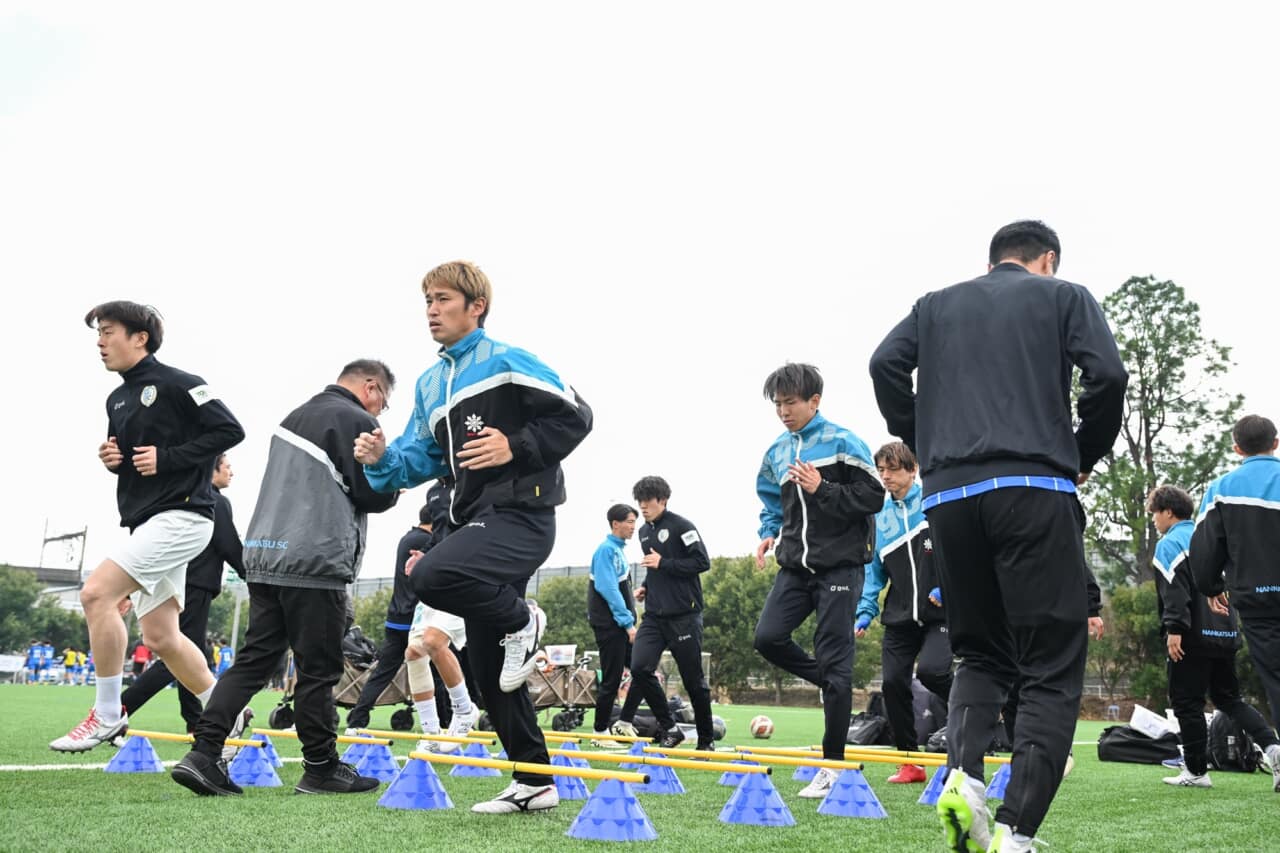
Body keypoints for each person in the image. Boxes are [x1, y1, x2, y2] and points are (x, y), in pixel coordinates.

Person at [869, 220, 1128, 852]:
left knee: (979, 655)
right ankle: (1016, 831)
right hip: (1033, 488)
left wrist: (926, 438)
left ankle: (964, 780)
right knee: (1049, 665)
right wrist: (1082, 450)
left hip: (949, 499)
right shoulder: (1063, 295)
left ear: (991, 263)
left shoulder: (935, 304)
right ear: (1048, 260)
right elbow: (1109, 375)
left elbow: (884, 363)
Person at [354, 260, 593, 815]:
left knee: (431, 575)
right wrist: (381, 459)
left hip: (523, 517)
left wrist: (515, 445)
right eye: (427, 301)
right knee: (488, 671)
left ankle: (523, 618)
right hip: (474, 522)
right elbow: (419, 457)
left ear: (475, 306)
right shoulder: (430, 383)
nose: (431, 311)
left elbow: (577, 415)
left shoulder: (507, 360)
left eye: (442, 299)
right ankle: (535, 782)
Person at [172, 359, 399, 797]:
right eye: (383, 402)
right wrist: (393, 483)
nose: (380, 411)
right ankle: (321, 768)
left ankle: (203, 753)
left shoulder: (293, 416)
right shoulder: (356, 420)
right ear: (371, 387)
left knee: (253, 662)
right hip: (313, 559)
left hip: (265, 555)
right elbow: (370, 492)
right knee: (319, 669)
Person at [52, 301, 245, 753]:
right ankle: (226, 713)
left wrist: (169, 458)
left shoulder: (182, 383)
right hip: (147, 523)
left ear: (140, 338)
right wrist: (114, 461)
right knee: (161, 637)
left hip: (183, 517)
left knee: (95, 594)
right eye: (98, 333)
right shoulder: (116, 399)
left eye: (108, 332)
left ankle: (107, 715)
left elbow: (230, 430)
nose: (100, 342)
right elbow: (132, 460)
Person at [752, 363, 884, 798]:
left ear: (814, 401)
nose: (783, 412)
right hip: (795, 567)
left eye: (790, 403)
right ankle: (830, 679)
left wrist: (821, 487)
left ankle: (833, 766)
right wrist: (768, 531)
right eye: (778, 404)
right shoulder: (776, 452)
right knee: (768, 638)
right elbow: (771, 501)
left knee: (836, 662)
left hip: (840, 567)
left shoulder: (844, 442)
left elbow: (873, 496)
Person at [1146, 484, 1280, 789]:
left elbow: (1174, 592)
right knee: (1229, 699)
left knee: (1187, 703)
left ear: (1169, 512)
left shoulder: (1169, 544)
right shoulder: (1210, 537)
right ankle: (1273, 748)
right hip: (1226, 632)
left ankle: (1196, 772)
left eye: (1155, 513)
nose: (1153, 519)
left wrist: (1174, 629)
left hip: (1190, 637)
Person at [119, 454, 247, 734]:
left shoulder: (184, 497)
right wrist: (255, 578)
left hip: (179, 584)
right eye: (227, 467)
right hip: (195, 586)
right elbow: (229, 545)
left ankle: (195, 721)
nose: (232, 472)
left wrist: (128, 589)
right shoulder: (215, 501)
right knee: (175, 656)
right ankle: (118, 710)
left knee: (193, 654)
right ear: (211, 470)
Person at [1189, 414, 1280, 792]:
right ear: (1276, 442)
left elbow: (1203, 548)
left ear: (1237, 448)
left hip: (1258, 602)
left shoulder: (1222, 488)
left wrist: (1210, 587)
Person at [856, 441, 951, 784]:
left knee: (932, 672)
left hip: (940, 613)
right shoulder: (879, 518)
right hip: (899, 616)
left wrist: (947, 587)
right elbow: (873, 573)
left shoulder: (935, 503)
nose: (885, 476)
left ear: (913, 470)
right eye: (881, 470)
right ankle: (909, 762)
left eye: (893, 469)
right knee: (893, 683)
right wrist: (864, 611)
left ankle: (979, 711)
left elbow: (959, 550)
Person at [613, 476, 716, 752]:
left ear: (663, 500)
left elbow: (701, 562)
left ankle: (706, 742)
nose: (643, 507)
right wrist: (646, 586)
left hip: (684, 616)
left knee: (693, 681)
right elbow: (654, 567)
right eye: (640, 501)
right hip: (654, 617)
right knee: (639, 668)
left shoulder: (682, 526)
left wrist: (664, 563)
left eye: (648, 501)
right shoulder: (644, 532)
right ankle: (670, 728)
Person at [587, 504, 640, 748]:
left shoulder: (618, 551)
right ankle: (600, 732)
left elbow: (619, 588)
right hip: (611, 625)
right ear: (615, 523)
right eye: (629, 522)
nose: (633, 527)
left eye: (634, 522)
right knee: (612, 678)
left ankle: (625, 721)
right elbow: (607, 588)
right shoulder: (606, 550)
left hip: (620, 624)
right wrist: (628, 623)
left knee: (643, 669)